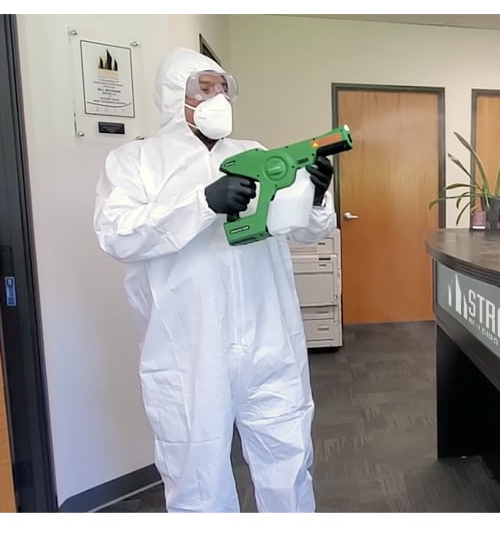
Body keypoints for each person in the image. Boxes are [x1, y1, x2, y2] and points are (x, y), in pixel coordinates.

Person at [93, 47, 336, 513]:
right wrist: (204, 203)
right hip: (189, 346)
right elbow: (116, 234)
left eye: (223, 88)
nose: (218, 97)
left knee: (287, 454)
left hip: (268, 336)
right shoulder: (136, 163)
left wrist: (315, 195)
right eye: (205, 88)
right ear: (173, 94)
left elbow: (306, 229)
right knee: (197, 474)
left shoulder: (254, 154)